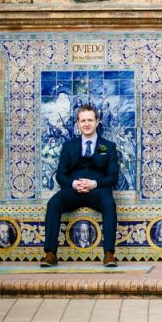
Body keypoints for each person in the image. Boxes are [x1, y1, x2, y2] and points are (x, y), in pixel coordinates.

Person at [41, 104, 120, 267]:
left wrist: (94, 184)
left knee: (109, 204)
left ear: (97, 122)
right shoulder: (69, 147)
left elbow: (113, 177)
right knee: (53, 203)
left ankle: (109, 254)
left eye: (90, 120)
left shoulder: (109, 147)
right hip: (73, 191)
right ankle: (50, 254)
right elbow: (60, 175)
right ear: (77, 123)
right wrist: (73, 183)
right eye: (83, 120)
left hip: (98, 191)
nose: (87, 124)